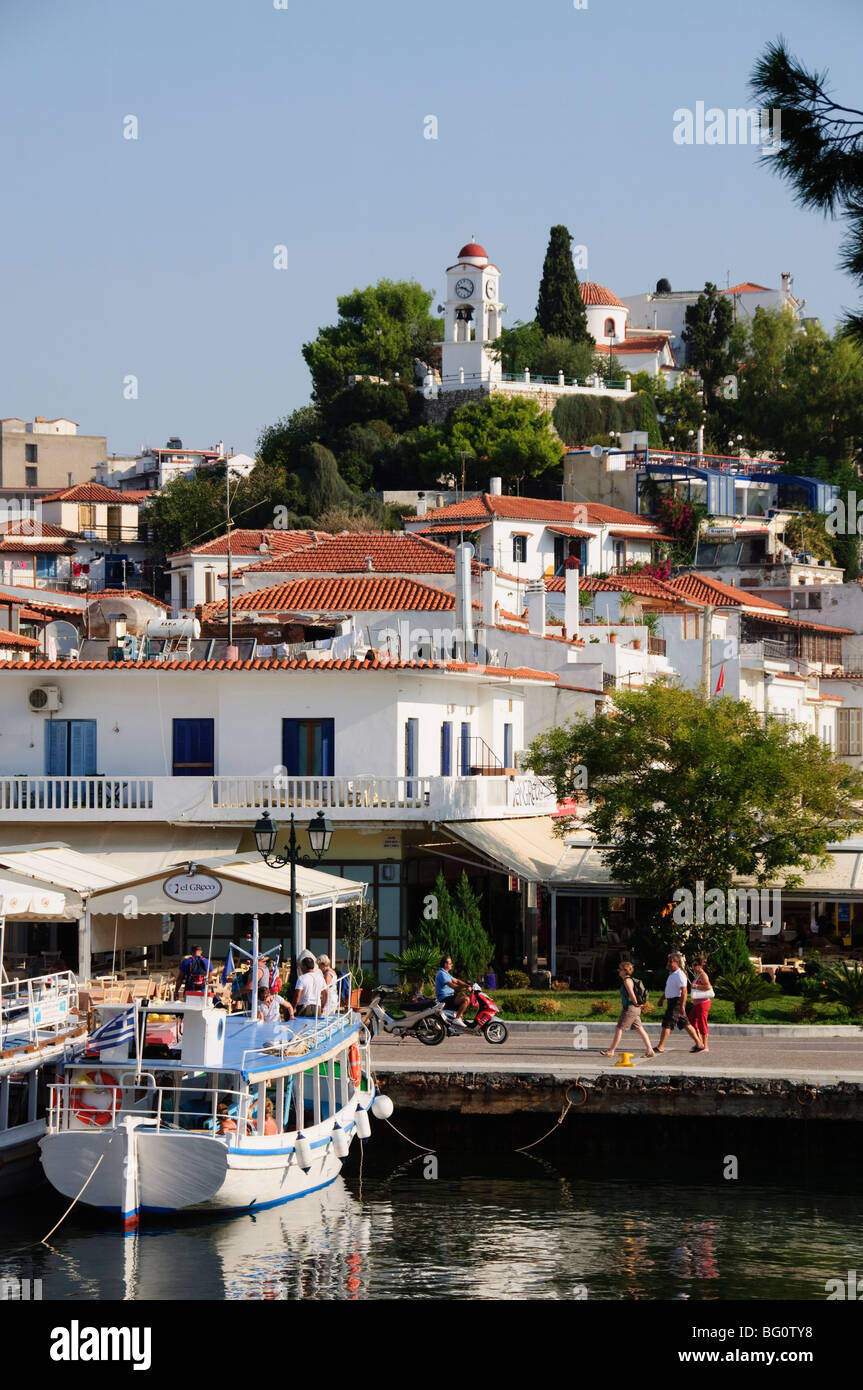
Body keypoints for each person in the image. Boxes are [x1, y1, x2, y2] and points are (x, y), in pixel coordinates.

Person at [599, 962, 655, 1059]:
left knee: (619, 1028)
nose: (618, 970)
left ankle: (611, 1051)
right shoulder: (629, 980)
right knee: (640, 1029)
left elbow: (631, 994)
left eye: (620, 969)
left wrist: (635, 1003)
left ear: (625, 971)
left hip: (630, 1008)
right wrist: (637, 1005)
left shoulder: (627, 981)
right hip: (634, 1009)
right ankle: (650, 1050)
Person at [656, 951, 705, 1053]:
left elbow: (684, 991)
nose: (668, 963)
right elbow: (669, 990)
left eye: (671, 961)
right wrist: (662, 999)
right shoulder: (672, 974)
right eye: (668, 961)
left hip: (676, 1002)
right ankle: (700, 1044)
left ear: (677, 963)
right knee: (686, 1024)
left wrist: (682, 1006)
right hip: (672, 1001)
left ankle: (660, 1046)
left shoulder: (680, 975)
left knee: (667, 1023)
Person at [434, 955, 469, 1027]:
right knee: (465, 999)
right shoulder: (441, 974)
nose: (452, 965)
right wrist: (465, 988)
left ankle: (457, 1018)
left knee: (464, 997)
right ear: (445, 964)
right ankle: (457, 1019)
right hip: (444, 999)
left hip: (449, 997)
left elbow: (457, 980)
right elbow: (453, 986)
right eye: (450, 963)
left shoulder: (446, 973)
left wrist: (467, 985)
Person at [688, 956, 713, 1053]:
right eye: (692, 965)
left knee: (702, 1023)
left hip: (703, 1003)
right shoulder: (698, 975)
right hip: (697, 1003)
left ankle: (705, 1046)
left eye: (695, 965)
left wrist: (696, 986)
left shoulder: (703, 975)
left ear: (700, 966)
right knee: (691, 1020)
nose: (693, 967)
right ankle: (699, 1042)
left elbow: (708, 987)